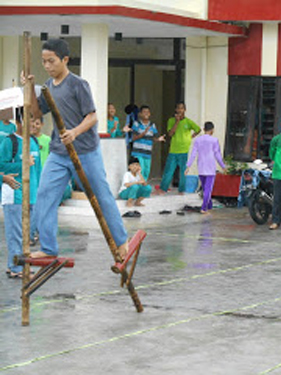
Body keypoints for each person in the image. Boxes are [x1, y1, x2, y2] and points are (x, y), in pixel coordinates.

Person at [26, 38, 129, 260]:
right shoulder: (47, 87)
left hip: (86, 152)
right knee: (44, 196)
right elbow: (36, 113)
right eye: (44, 62)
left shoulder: (78, 84)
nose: (47, 66)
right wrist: (29, 90)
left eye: (51, 61)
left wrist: (75, 132)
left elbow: (92, 117)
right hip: (59, 152)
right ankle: (49, 247)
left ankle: (121, 241)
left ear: (65, 60)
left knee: (102, 196)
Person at [0, 109, 41, 278]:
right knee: (15, 233)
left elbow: (38, 170)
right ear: (18, 122)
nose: (32, 124)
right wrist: (23, 164)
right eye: (28, 120)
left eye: (35, 120)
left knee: (26, 234)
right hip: (14, 194)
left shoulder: (33, 141)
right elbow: (1, 167)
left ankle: (17, 264)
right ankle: (16, 267)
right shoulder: (10, 142)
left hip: (31, 194)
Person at [185, 121, 226, 214]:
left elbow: (193, 154)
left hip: (201, 166)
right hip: (210, 167)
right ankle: (204, 208)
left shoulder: (198, 140)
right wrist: (223, 166)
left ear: (204, 129)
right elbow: (217, 154)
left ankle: (209, 204)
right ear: (212, 130)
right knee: (208, 189)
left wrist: (188, 166)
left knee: (205, 188)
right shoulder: (214, 140)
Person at [159, 102, 200, 194]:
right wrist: (177, 121)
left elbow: (198, 129)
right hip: (173, 150)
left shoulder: (188, 122)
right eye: (178, 108)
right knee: (169, 171)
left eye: (182, 108)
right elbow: (170, 134)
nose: (180, 110)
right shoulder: (171, 120)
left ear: (185, 110)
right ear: (175, 110)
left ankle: (181, 190)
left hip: (184, 150)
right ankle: (163, 189)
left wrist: (191, 137)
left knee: (183, 172)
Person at [130, 105, 166, 180]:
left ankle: (142, 188)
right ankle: (138, 188)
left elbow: (154, 137)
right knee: (140, 170)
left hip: (147, 153)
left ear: (150, 114)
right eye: (144, 112)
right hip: (138, 153)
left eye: (147, 112)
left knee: (147, 171)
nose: (146, 114)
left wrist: (159, 139)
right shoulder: (136, 123)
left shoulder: (152, 125)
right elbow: (133, 138)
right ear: (140, 114)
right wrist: (143, 133)